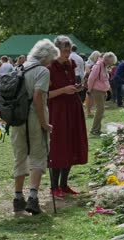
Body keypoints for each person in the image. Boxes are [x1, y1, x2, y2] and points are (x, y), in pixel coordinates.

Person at [11, 38, 58, 214]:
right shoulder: (42, 71)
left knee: (20, 155)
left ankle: (17, 198)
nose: (52, 62)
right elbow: (38, 98)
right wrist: (44, 123)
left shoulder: (19, 68)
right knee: (38, 155)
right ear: (46, 56)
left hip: (17, 118)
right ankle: (33, 197)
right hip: (33, 117)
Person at [47, 35, 88, 198]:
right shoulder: (49, 68)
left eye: (69, 51)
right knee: (58, 146)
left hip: (72, 107)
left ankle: (64, 184)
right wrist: (63, 90)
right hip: (57, 111)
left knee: (72, 144)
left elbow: (69, 83)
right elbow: (45, 94)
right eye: (64, 51)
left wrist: (77, 88)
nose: (67, 54)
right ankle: (54, 186)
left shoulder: (71, 64)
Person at [88, 52, 117, 135]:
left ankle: (97, 129)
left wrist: (108, 88)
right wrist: (89, 90)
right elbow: (91, 78)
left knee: (101, 110)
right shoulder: (98, 66)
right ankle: (94, 129)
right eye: (111, 62)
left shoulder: (103, 66)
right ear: (107, 60)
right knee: (100, 110)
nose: (111, 64)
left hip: (102, 91)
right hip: (97, 90)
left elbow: (104, 79)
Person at [84, 51, 101, 117]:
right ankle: (88, 111)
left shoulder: (95, 63)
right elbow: (87, 72)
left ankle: (89, 110)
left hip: (93, 81)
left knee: (92, 96)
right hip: (89, 80)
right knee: (89, 95)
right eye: (98, 57)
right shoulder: (89, 63)